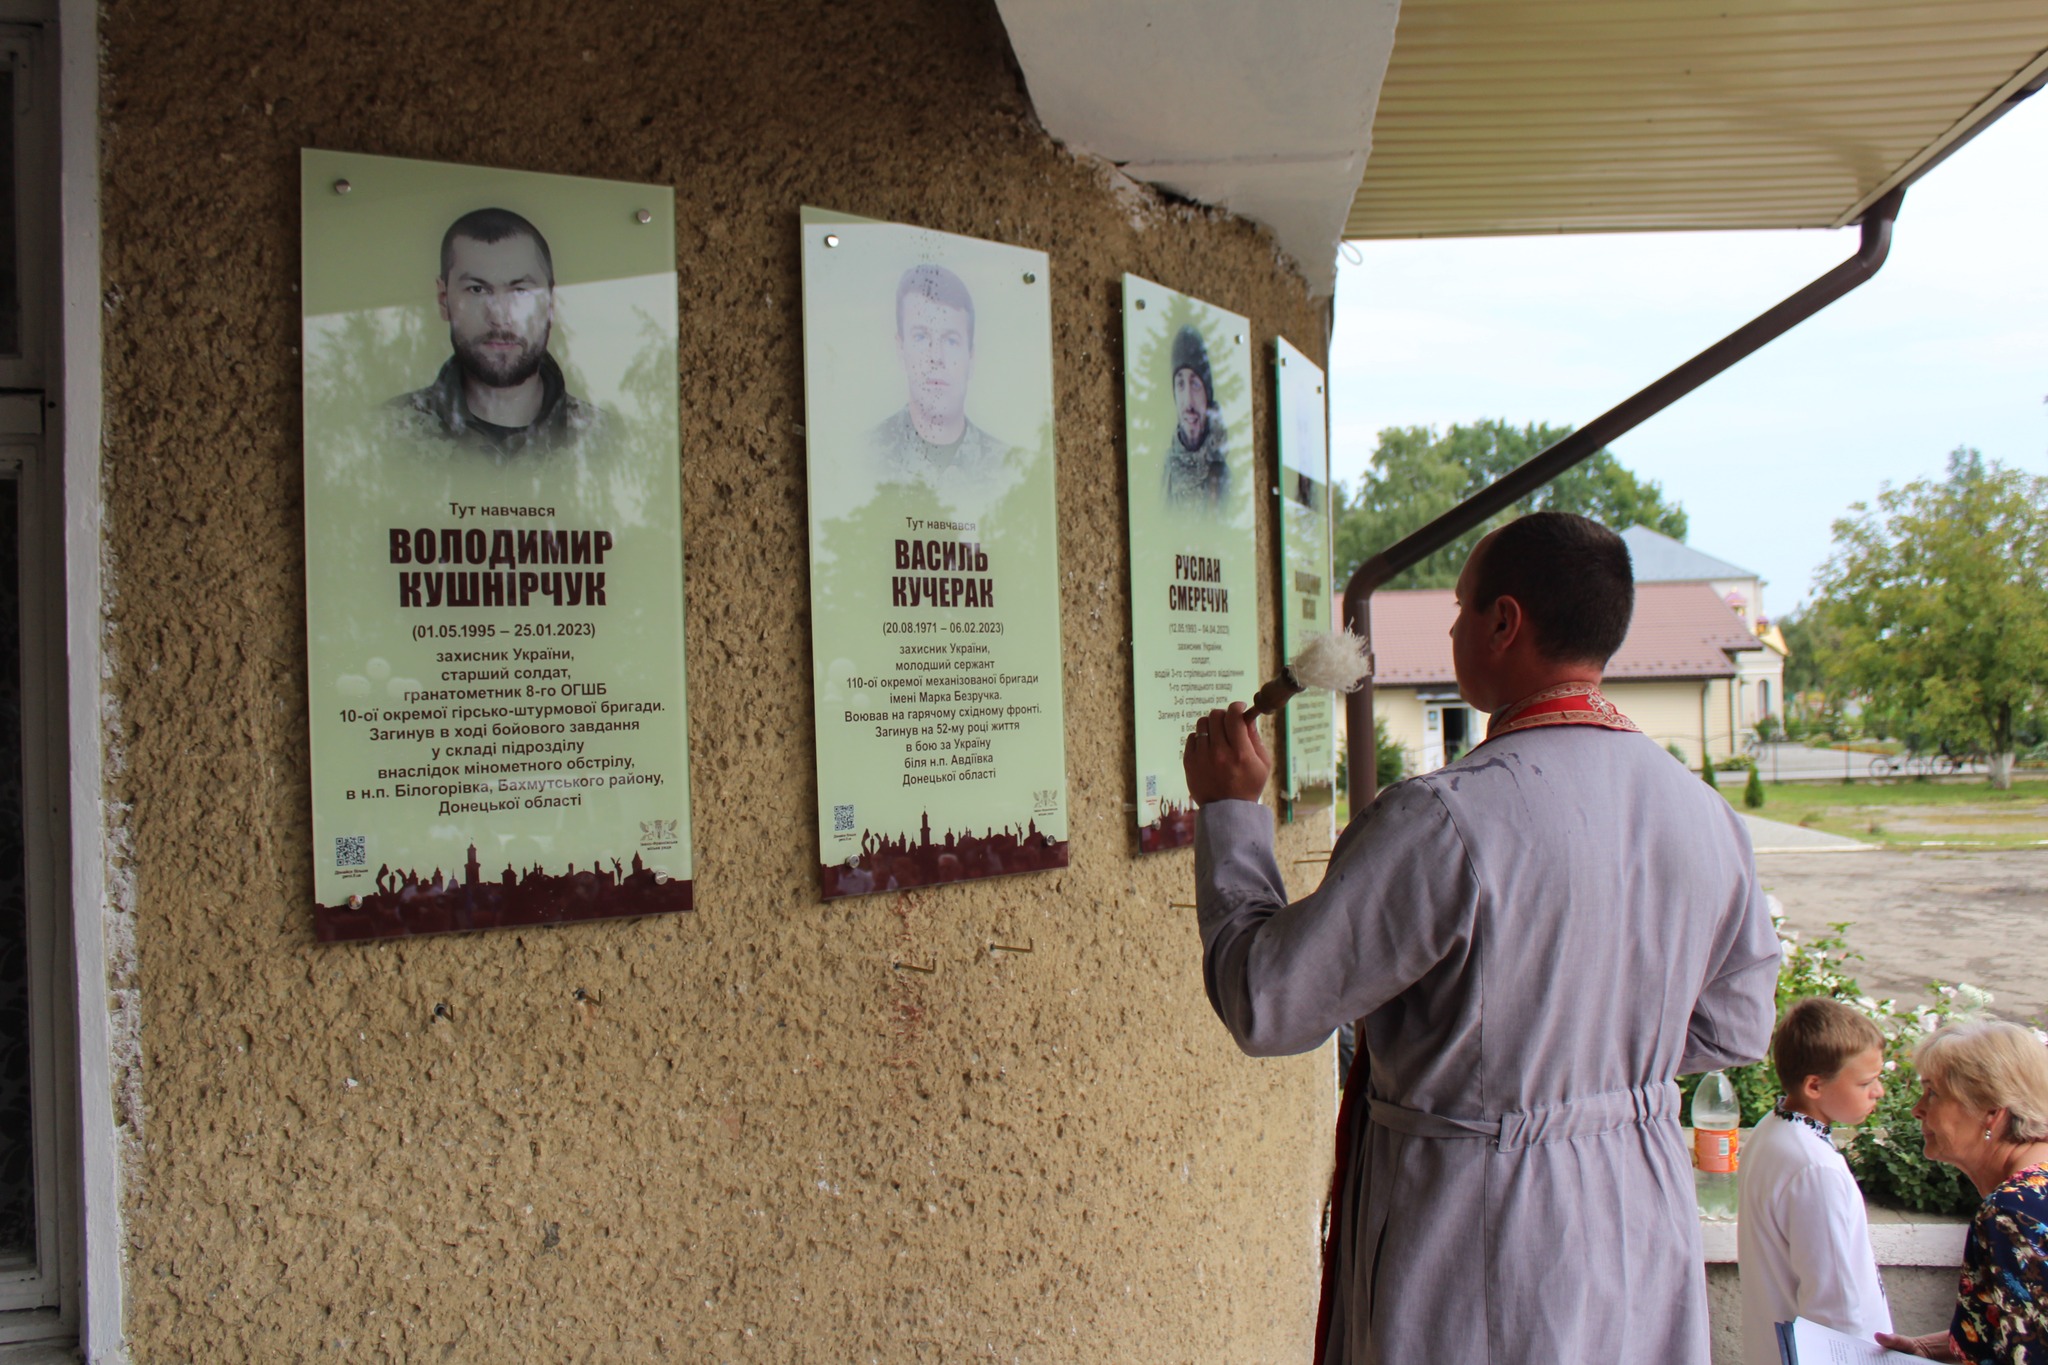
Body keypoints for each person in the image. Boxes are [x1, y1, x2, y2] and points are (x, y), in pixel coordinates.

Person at [1182, 511, 1779, 1364]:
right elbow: (1732, 1028)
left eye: (1462, 610)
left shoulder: (1446, 821)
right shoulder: (1706, 816)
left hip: (1481, 1229)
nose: (1455, 627)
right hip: (1640, 1222)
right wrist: (1588, 1067)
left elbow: (1269, 1003)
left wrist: (1233, 813)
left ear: (1505, 622)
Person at [1875, 1021, 2048, 1361]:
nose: (1917, 1109)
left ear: (1991, 1113)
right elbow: (2029, 1324)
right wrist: (1934, 1348)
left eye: (1933, 1093)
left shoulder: (2012, 1211)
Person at [1738, 997, 1892, 1365]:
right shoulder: (1815, 1169)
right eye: (1866, 1082)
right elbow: (1839, 1304)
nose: (1879, 1091)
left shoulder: (1771, 1131)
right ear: (1814, 1086)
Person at [392, 207, 601, 456]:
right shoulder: (384, 434)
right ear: (443, 299)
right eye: (477, 290)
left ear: (550, 303)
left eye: (520, 290)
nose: (500, 318)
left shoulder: (604, 439)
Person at [868, 264, 1013, 484]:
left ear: (971, 357)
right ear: (900, 350)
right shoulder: (863, 457)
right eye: (921, 337)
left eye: (951, 340)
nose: (936, 356)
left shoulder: (1010, 469)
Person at [1161, 325, 1228, 509]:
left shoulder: (1222, 476)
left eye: (1195, 384)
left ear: (1208, 394)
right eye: (1180, 384)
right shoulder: (1166, 472)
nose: (1188, 402)